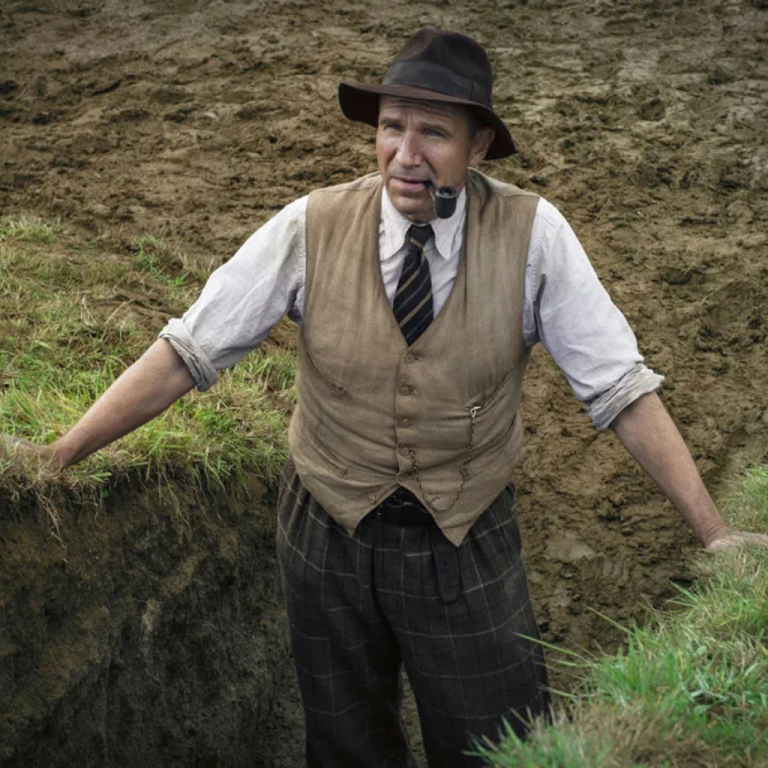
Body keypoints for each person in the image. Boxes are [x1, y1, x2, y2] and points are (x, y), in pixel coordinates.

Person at [6, 26, 768, 768]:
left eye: (433, 133)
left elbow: (622, 390)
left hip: (463, 539)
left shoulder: (535, 236)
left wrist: (713, 531)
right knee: (344, 740)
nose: (405, 155)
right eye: (390, 127)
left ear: (479, 148)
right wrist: (62, 452)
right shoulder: (311, 226)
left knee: (497, 741)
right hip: (324, 530)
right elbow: (189, 350)